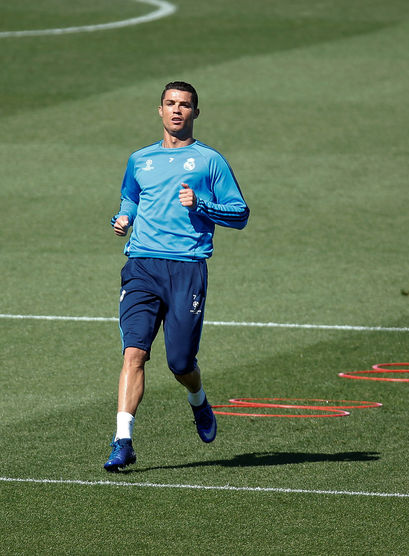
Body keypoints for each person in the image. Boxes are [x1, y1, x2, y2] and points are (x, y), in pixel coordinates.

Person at [104, 81, 250, 471]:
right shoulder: (140, 159)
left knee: (180, 363)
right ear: (159, 110)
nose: (177, 110)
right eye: (170, 104)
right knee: (133, 353)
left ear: (195, 113)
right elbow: (131, 196)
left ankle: (199, 401)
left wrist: (201, 204)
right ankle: (123, 440)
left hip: (186, 268)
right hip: (141, 266)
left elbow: (240, 214)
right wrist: (124, 218)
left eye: (185, 105)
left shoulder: (209, 161)